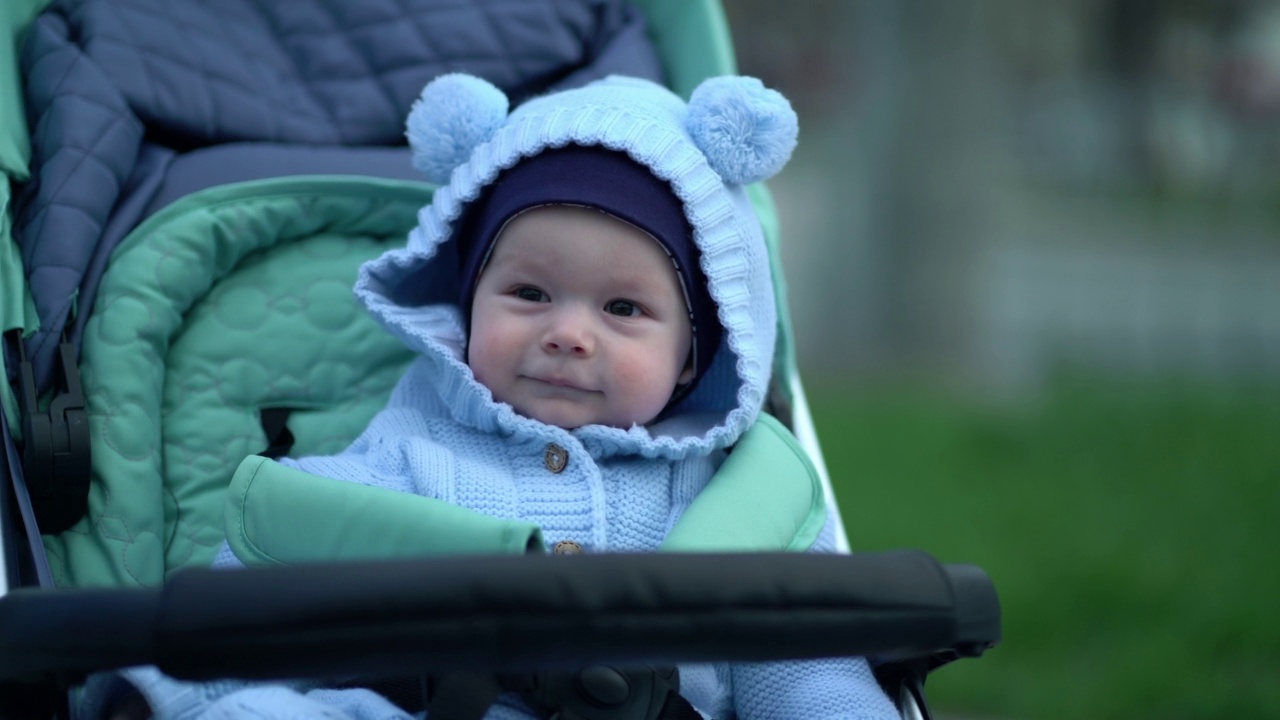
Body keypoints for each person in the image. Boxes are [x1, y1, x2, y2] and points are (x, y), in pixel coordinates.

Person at [82, 73, 899, 719]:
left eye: (623, 309)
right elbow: (260, 607)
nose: (569, 333)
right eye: (530, 294)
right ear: (468, 304)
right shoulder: (411, 458)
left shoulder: (740, 497)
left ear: (693, 357)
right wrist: (167, 691)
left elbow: (804, 669)